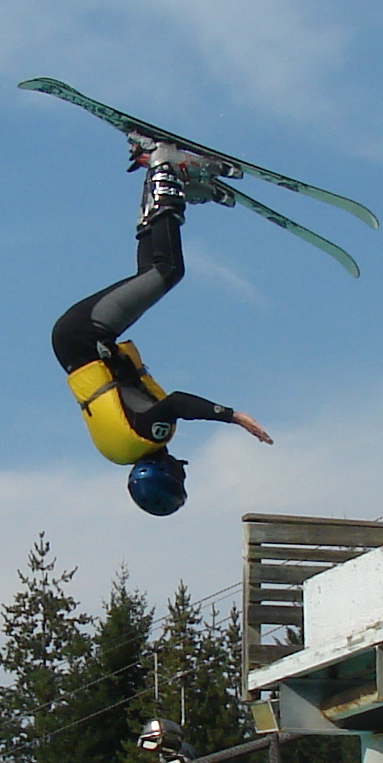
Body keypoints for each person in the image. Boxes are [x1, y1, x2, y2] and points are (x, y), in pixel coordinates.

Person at [52, 145, 272, 516]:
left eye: (179, 477)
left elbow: (178, 403)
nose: (182, 469)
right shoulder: (122, 451)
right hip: (78, 342)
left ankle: (165, 171)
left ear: (164, 473)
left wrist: (234, 416)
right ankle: (157, 183)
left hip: (85, 335)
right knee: (150, 275)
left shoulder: (150, 435)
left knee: (167, 272)